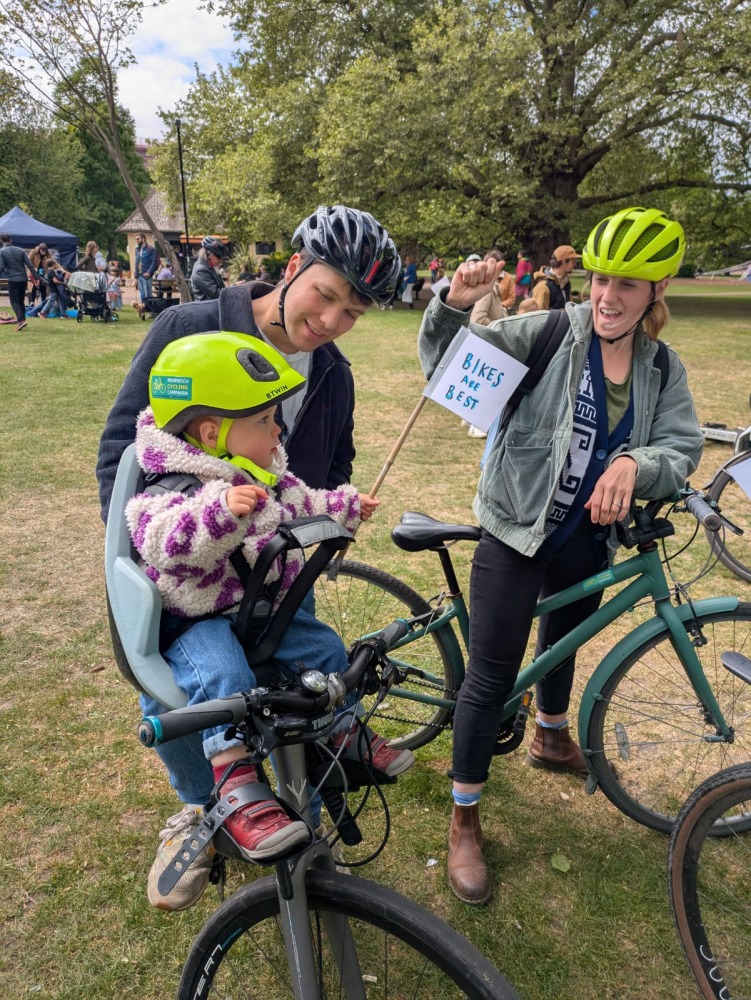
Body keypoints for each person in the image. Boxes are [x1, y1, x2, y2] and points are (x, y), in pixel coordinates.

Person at [97, 204, 402, 910]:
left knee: (307, 677)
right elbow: (123, 449)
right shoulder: (189, 328)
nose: (329, 321)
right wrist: (144, 566)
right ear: (294, 268)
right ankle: (201, 810)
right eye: (325, 295)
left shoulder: (335, 374)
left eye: (351, 312)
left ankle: (303, 831)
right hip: (182, 568)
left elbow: (324, 470)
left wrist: (325, 517)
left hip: (272, 568)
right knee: (201, 684)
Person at [417, 206, 704, 906]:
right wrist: (451, 305)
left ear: (654, 292)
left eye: (627, 285)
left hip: (587, 539)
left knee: (565, 640)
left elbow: (682, 446)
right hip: (516, 530)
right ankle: (463, 818)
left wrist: (635, 464)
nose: (607, 296)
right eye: (601, 279)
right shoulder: (544, 331)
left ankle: (549, 736)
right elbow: (448, 370)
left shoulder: (660, 368)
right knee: (489, 677)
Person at [126, 331, 412, 892]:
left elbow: (299, 500)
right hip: (194, 621)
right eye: (267, 421)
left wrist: (343, 506)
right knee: (225, 678)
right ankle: (235, 789)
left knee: (326, 648)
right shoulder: (170, 485)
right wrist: (220, 512)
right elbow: (163, 542)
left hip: (254, 612)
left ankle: (341, 731)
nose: (279, 431)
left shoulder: (259, 471)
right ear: (213, 434)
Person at [0, 232, 37, 330]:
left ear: (1, 241)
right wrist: (36, 277)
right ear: (10, 240)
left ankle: (20, 321)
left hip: (13, 279)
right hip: (23, 279)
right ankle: (23, 320)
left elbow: (1, 267)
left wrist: (7, 271)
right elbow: (30, 265)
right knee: (21, 300)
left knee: (14, 301)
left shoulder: (2, 251)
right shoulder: (20, 250)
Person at [470, 251, 515, 325]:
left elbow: (512, 297)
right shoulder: (485, 286)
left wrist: (502, 306)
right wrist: (497, 328)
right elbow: (478, 319)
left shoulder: (507, 278)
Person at [531, 244, 581, 310]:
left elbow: (570, 307)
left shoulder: (566, 283)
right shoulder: (543, 286)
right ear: (564, 262)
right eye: (573, 261)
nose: (575, 264)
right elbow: (540, 316)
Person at [189, 237, 227, 301]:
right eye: (219, 256)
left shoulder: (209, 267)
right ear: (209, 254)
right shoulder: (201, 270)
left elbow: (221, 288)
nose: (221, 260)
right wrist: (233, 290)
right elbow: (215, 294)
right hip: (206, 309)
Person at [134, 232, 158, 303]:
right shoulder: (137, 250)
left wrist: (149, 272)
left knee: (148, 294)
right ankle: (144, 309)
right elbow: (136, 262)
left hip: (146, 275)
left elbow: (153, 262)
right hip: (139, 275)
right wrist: (135, 274)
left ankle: (150, 308)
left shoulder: (150, 249)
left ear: (143, 239)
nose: (136, 240)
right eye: (135, 239)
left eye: (138, 239)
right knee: (142, 294)